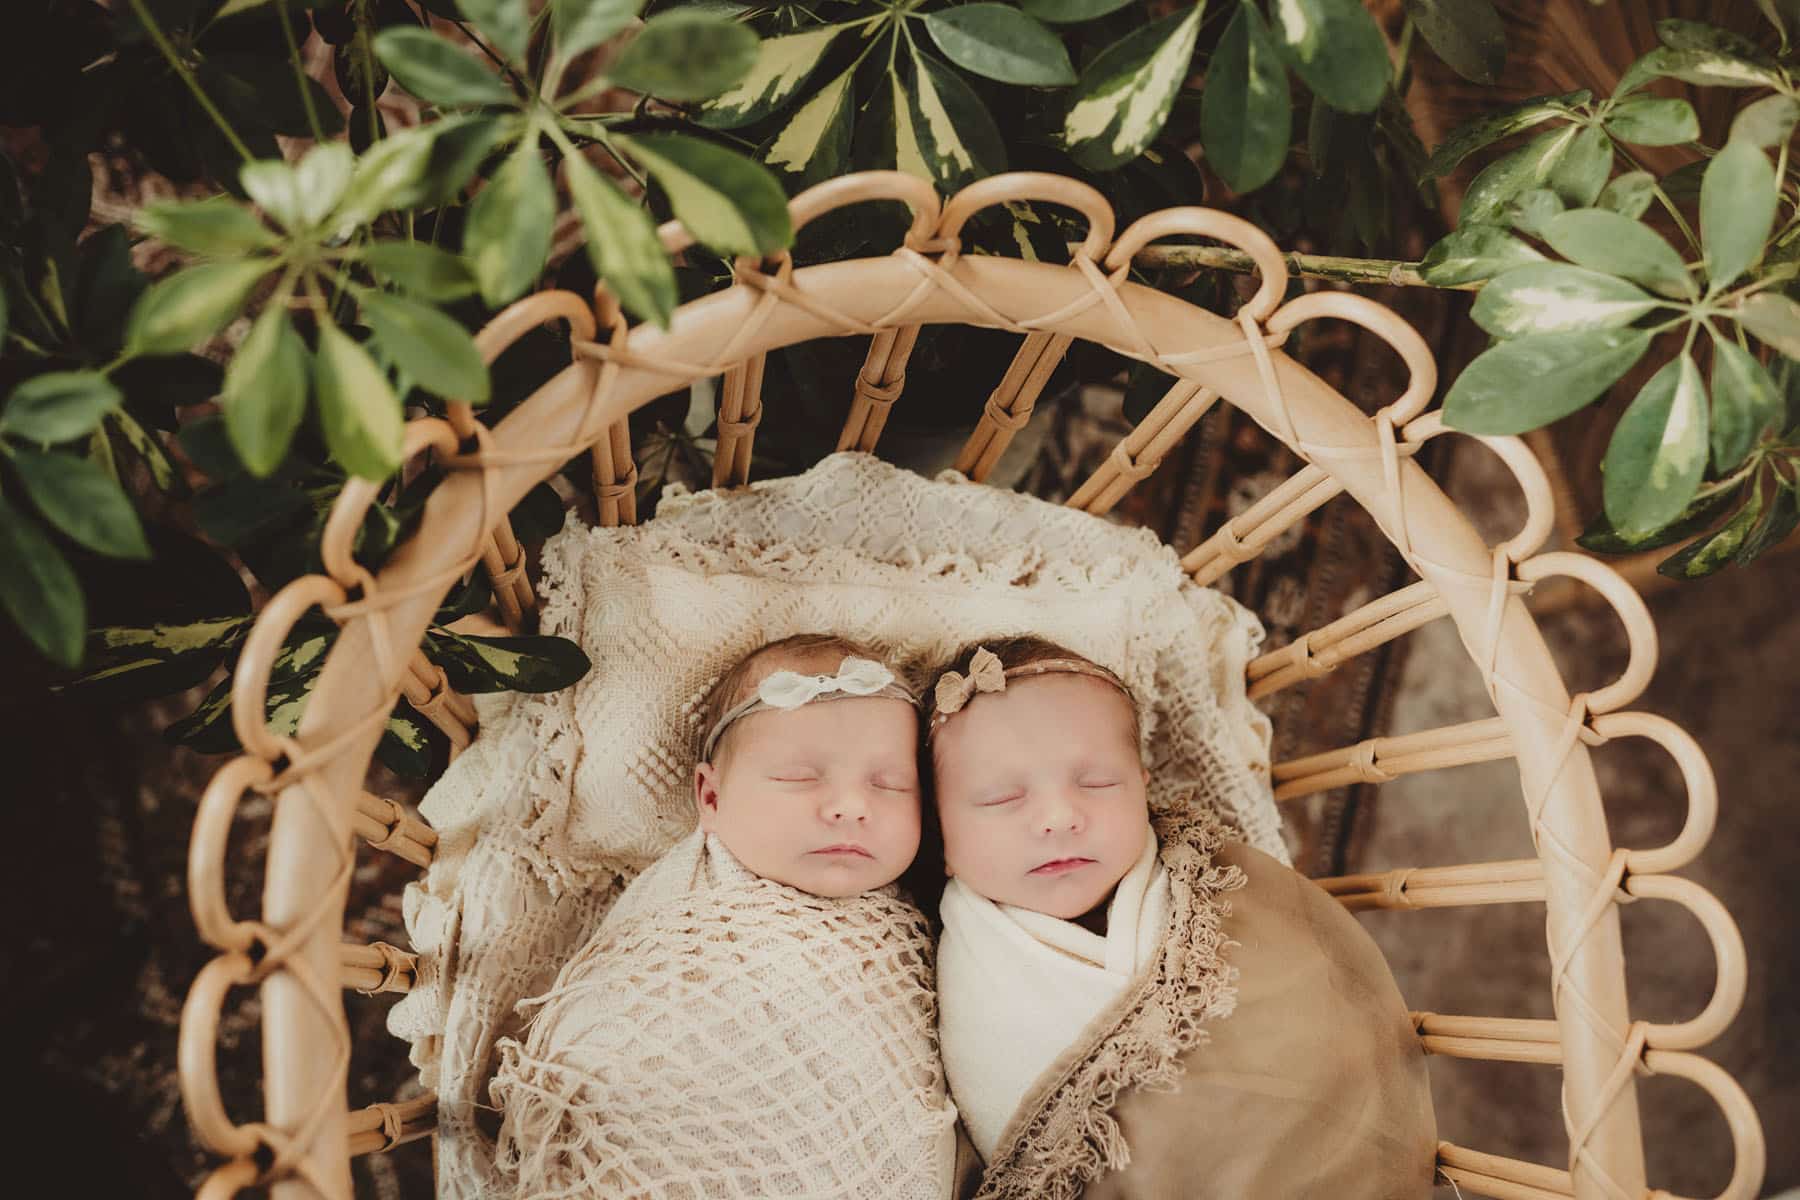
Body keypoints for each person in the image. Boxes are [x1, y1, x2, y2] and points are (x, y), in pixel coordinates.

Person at [928, 638, 1436, 1199]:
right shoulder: (972, 964)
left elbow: (1307, 998)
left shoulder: (1212, 880)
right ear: (942, 836)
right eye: (1002, 798)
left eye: (1097, 782)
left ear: (1144, 788)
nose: (1058, 817)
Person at [493, 634, 960, 1199]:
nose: (851, 806)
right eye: (800, 777)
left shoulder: (925, 918)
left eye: (889, 784)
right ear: (710, 799)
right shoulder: (681, 906)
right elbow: (619, 1024)